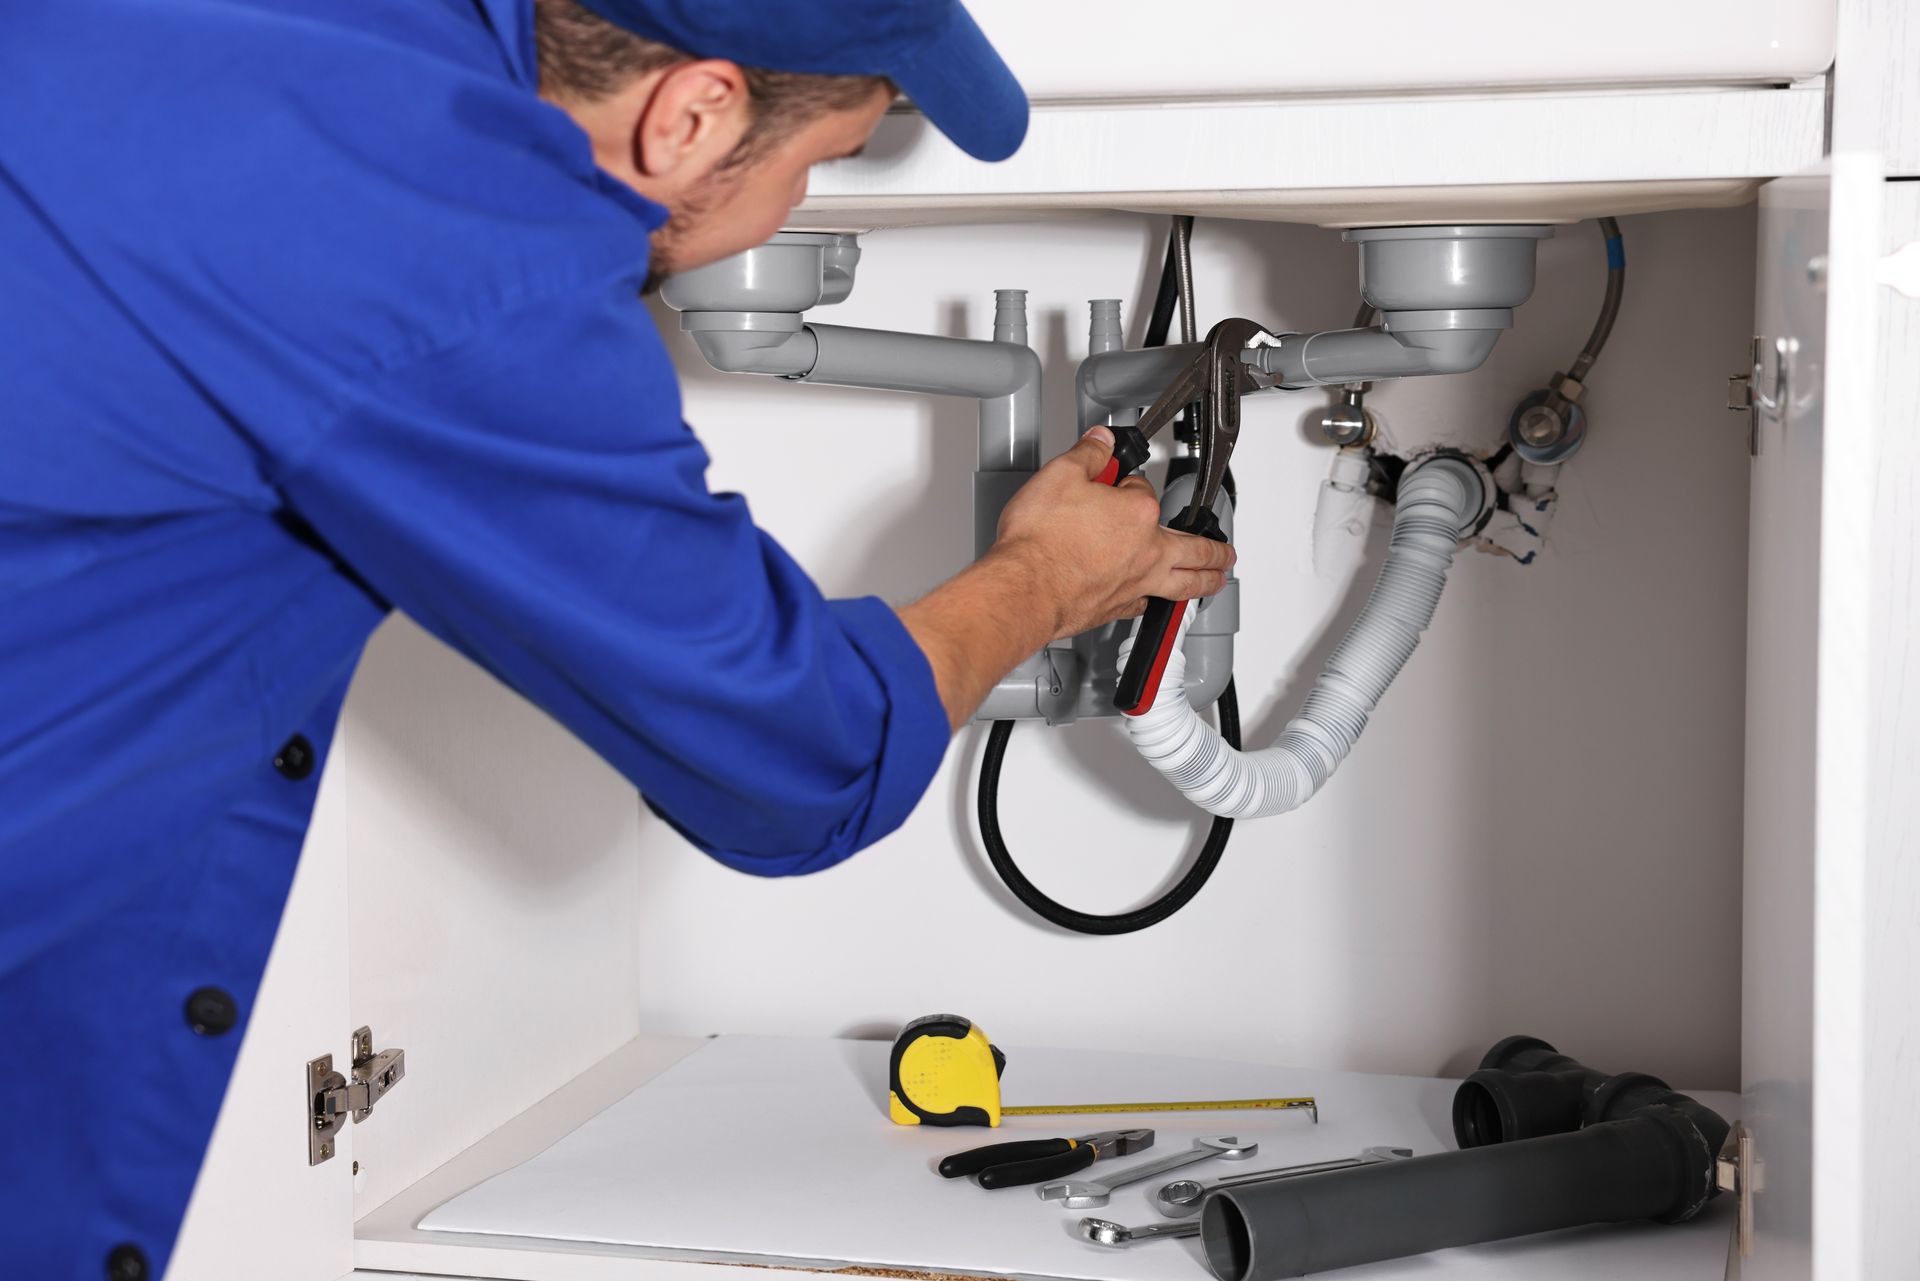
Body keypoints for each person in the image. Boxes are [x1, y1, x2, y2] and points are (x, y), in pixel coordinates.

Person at [0, 0, 1233, 1274]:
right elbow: (797, 756)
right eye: (821, 167)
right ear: (691, 114)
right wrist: (1041, 580)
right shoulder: (445, 231)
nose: (791, 214)